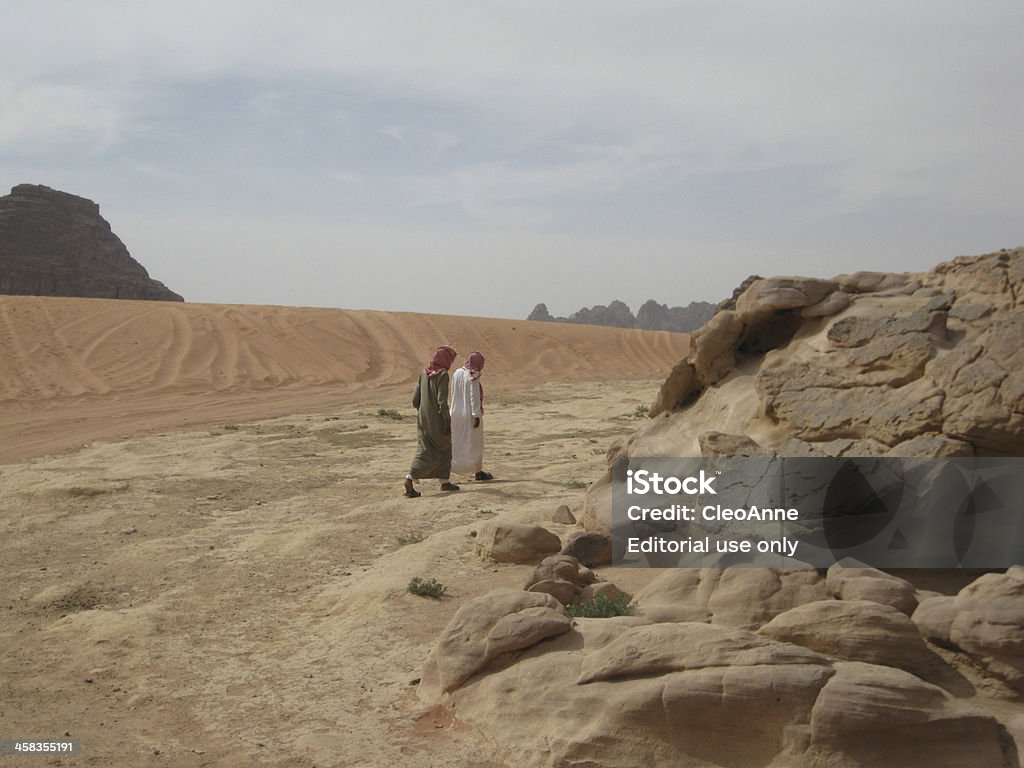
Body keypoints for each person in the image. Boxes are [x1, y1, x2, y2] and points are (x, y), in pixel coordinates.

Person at [404, 345, 460, 498]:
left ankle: (438, 480)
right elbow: (441, 401)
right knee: (445, 448)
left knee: (425, 447)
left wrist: (423, 411)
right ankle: (414, 478)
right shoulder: (442, 375)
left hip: (423, 418)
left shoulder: (423, 373)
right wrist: (446, 421)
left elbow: (415, 400)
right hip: (437, 418)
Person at [449, 351, 493, 481]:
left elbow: (453, 392)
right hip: (469, 415)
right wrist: (476, 415)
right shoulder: (473, 375)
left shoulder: (457, 372)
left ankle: (451, 467)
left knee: (458, 443)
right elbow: (474, 396)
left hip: (456, 413)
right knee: (476, 443)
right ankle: (477, 472)